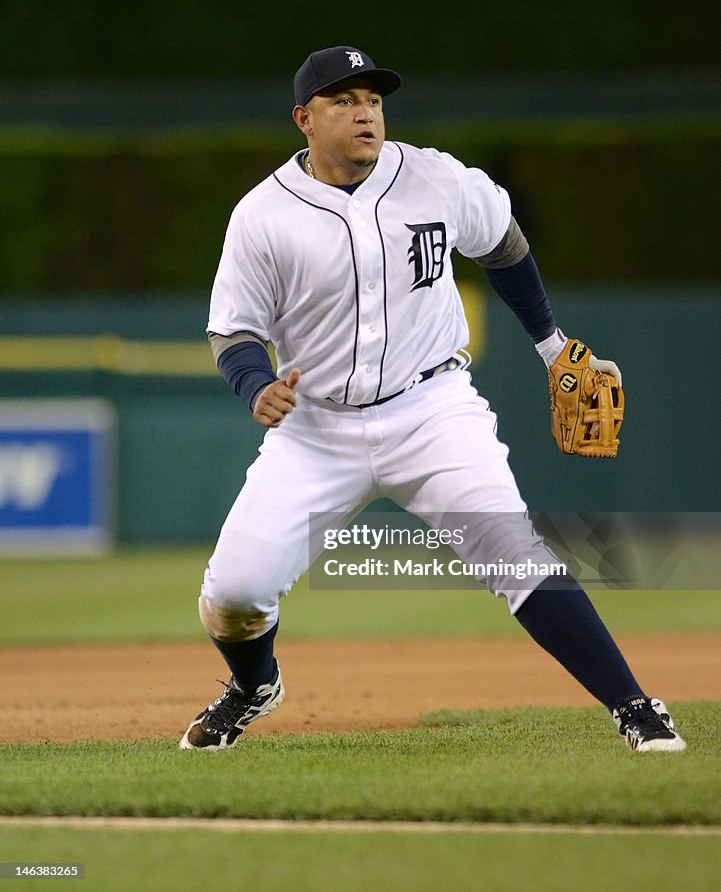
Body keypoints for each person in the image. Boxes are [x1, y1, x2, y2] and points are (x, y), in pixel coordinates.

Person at [180, 45, 685, 754]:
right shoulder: (262, 215)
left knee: (512, 552)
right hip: (317, 430)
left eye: (373, 100)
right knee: (234, 593)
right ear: (303, 118)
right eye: (343, 101)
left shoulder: (434, 177)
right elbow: (233, 328)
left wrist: (550, 346)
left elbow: (503, 243)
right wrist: (254, 384)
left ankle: (634, 707)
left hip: (432, 409)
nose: (364, 113)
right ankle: (253, 686)